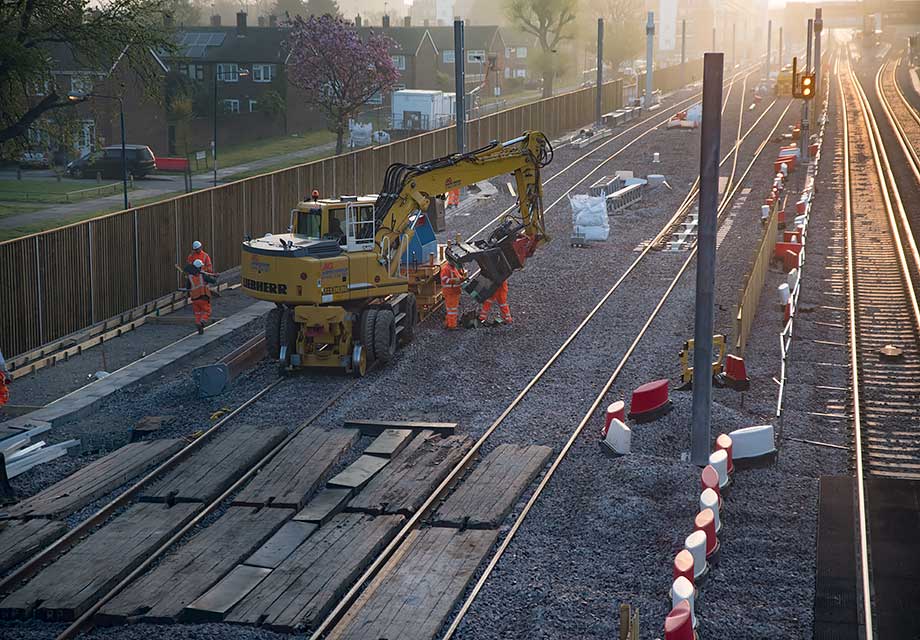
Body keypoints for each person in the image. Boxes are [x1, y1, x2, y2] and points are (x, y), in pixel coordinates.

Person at [187, 259, 217, 334]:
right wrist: (216, 277)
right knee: (207, 311)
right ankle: (202, 322)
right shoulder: (202, 275)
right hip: (203, 297)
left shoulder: (190, 277)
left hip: (194, 299)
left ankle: (198, 323)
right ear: (200, 267)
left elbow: (188, 287)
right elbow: (213, 281)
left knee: (197, 313)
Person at [440, 254, 466, 330]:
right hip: (450, 292)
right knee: (452, 310)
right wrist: (454, 281)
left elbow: (457, 277)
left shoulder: (453, 268)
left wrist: (462, 278)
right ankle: (452, 326)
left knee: (451, 310)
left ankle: (448, 323)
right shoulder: (446, 269)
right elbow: (445, 279)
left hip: (454, 292)